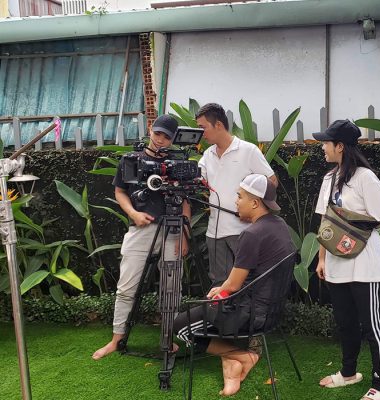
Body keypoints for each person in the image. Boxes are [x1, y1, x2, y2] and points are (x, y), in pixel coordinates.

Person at [174, 173, 294, 397]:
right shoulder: (279, 225)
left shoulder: (252, 234)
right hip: (272, 311)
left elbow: (235, 284)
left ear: (255, 203)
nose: (236, 201)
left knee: (180, 326)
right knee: (216, 293)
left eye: (239, 197)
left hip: (249, 315)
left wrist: (220, 290)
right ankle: (231, 366)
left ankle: (243, 357)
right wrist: (222, 288)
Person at [92, 114, 191, 360]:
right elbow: (119, 191)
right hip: (141, 228)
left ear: (173, 139)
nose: (161, 140)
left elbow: (186, 201)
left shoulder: (178, 162)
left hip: (173, 229)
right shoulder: (131, 159)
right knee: (127, 285)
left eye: (167, 137)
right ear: (150, 129)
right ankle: (116, 339)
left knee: (171, 287)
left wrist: (185, 234)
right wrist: (133, 213)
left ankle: (167, 338)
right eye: (158, 133)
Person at [314, 120, 380, 400]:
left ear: (340, 146)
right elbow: (325, 221)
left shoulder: (365, 177)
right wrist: (322, 258)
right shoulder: (329, 179)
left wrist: (350, 229)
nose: (322, 147)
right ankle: (348, 373)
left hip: (364, 264)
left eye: (326, 143)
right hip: (336, 264)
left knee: (373, 325)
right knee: (345, 323)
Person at [195, 103, 277, 287]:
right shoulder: (207, 154)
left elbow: (271, 182)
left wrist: (255, 213)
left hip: (243, 231)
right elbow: (197, 180)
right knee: (219, 284)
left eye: (203, 127)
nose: (201, 133)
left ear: (218, 124)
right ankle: (224, 308)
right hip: (214, 232)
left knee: (249, 282)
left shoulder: (248, 150)